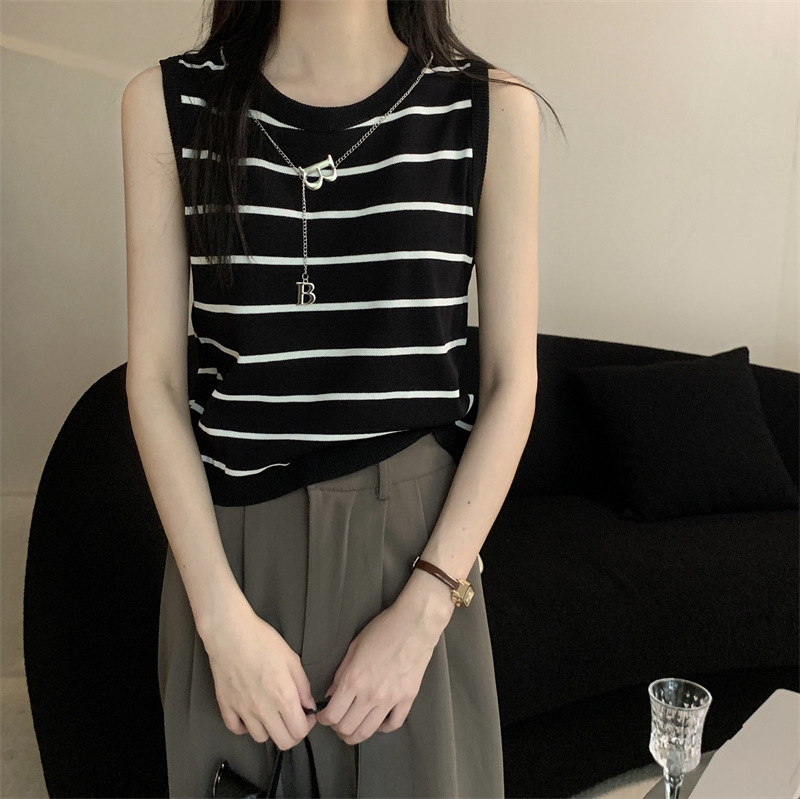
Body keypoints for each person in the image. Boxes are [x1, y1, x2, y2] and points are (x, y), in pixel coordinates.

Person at [122, 1, 544, 796]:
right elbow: (155, 381)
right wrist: (219, 618)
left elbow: (509, 382)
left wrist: (425, 610)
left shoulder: (489, 109)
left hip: (417, 562)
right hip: (234, 566)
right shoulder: (168, 103)